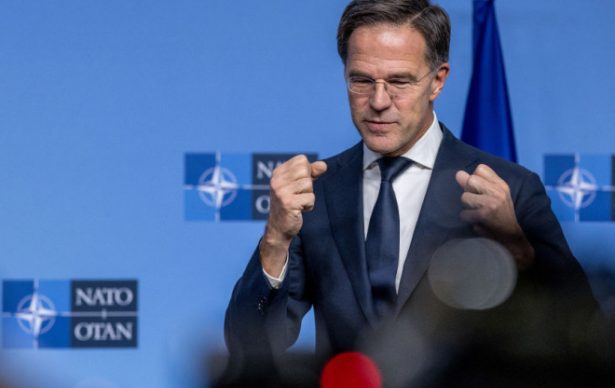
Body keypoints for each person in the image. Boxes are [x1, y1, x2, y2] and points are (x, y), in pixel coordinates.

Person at [225, 0, 596, 362]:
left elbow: (583, 336)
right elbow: (247, 347)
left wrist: (517, 247)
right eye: (361, 80)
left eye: (399, 81)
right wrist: (275, 239)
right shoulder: (316, 192)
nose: (378, 101)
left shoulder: (512, 189)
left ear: (437, 81)